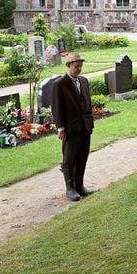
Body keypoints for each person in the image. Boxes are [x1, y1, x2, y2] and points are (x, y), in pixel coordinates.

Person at [52, 52, 95, 202]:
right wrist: (60, 128)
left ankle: (79, 186)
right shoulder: (60, 84)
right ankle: (70, 189)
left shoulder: (83, 81)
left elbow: (87, 102)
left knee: (83, 156)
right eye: (76, 66)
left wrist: (90, 121)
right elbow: (57, 108)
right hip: (70, 128)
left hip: (85, 126)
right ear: (68, 66)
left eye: (80, 66)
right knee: (69, 159)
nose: (79, 69)